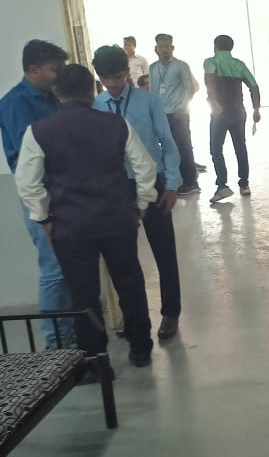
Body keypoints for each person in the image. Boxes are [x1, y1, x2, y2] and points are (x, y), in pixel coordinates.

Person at [14, 63, 157, 369]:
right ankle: (141, 349)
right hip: (117, 220)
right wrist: (141, 204)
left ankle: (95, 360)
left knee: (83, 295)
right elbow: (145, 168)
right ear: (93, 92)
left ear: (57, 92)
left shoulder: (39, 131)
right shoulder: (116, 124)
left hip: (71, 226)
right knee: (130, 284)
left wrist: (44, 218)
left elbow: (26, 183)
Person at [92, 45, 185, 340]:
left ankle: (171, 313)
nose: (113, 84)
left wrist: (172, 184)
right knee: (122, 257)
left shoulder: (149, 102)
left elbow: (167, 143)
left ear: (127, 72)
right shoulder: (96, 106)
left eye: (118, 77)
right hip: (118, 188)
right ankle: (132, 318)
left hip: (153, 182)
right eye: (106, 79)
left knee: (163, 250)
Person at [0, 39, 76, 349]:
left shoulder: (53, 98)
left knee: (68, 267)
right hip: (41, 197)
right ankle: (56, 345)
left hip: (64, 193)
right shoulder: (15, 104)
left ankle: (70, 337)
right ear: (33, 70)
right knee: (54, 270)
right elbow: (26, 159)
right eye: (54, 70)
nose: (60, 75)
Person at [203, 34, 260, 202]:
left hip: (219, 112)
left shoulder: (211, 62)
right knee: (240, 147)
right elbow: (254, 86)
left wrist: (213, 102)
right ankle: (244, 184)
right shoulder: (239, 64)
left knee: (216, 149)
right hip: (238, 112)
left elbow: (209, 83)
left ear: (215, 47)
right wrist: (256, 109)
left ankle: (222, 186)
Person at [151, 33, 202, 196]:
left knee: (183, 147)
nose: (164, 50)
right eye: (161, 46)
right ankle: (175, 181)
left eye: (167, 46)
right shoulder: (153, 68)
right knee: (167, 148)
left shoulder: (181, 66)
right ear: (156, 49)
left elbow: (190, 89)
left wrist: (182, 108)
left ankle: (191, 182)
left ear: (172, 47)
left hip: (178, 114)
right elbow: (153, 91)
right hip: (161, 114)